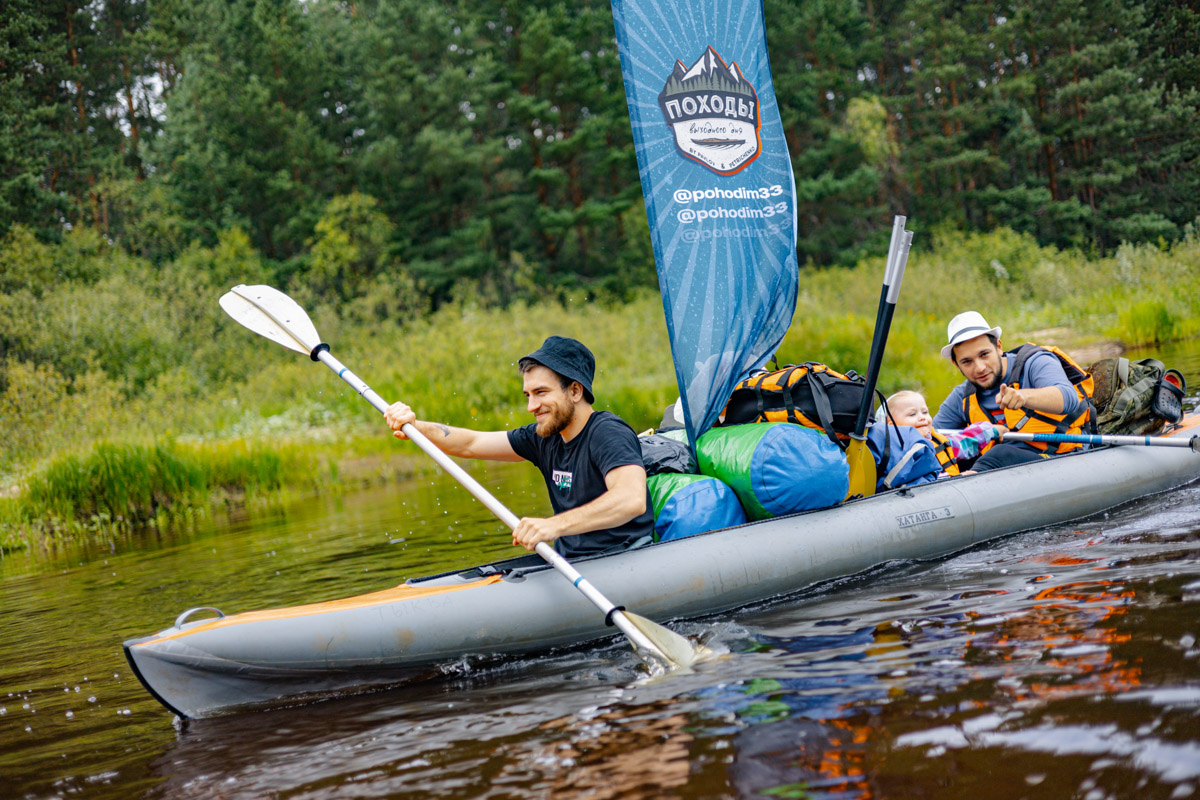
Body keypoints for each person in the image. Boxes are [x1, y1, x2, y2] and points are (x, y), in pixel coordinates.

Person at [383, 335, 654, 558]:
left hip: (622, 557)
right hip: (571, 562)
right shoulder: (544, 438)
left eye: (541, 393)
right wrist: (416, 426)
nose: (531, 406)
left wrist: (552, 526)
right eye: (528, 395)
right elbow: (471, 444)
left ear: (574, 391)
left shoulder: (607, 432)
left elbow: (631, 500)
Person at [931, 311, 1093, 472]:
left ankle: (966, 482)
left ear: (998, 347)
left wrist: (1024, 397)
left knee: (999, 454)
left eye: (984, 354)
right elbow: (932, 439)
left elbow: (1068, 398)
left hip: (1059, 459)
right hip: (1004, 470)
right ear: (956, 365)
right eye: (967, 362)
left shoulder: (1035, 362)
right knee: (950, 458)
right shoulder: (962, 397)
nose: (979, 368)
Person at [878, 389, 1006, 476]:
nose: (922, 417)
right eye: (912, 414)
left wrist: (991, 430)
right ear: (892, 427)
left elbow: (966, 441)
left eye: (925, 412)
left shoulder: (937, 440)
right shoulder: (893, 455)